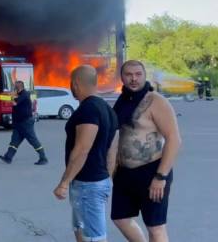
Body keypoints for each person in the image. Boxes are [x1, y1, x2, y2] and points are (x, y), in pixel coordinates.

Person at [112, 60, 182, 242]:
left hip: (152, 171)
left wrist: (161, 177)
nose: (133, 79)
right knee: (120, 218)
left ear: (144, 76)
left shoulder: (156, 101)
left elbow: (174, 139)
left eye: (138, 74)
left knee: (155, 227)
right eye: (129, 75)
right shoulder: (123, 101)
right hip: (124, 172)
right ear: (122, 77)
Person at [53, 65, 119, 242]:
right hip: (98, 180)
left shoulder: (88, 110)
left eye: (70, 84)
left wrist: (64, 183)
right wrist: (108, 176)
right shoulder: (108, 109)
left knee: (94, 237)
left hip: (87, 184)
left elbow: (82, 149)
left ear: (76, 84)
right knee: (80, 229)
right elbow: (113, 148)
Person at [0, 80, 48, 165]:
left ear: (19, 87)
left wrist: (11, 97)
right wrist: (11, 95)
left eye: (15, 86)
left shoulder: (25, 94)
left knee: (33, 140)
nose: (14, 88)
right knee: (14, 141)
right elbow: (13, 99)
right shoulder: (20, 94)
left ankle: (43, 158)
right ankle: (8, 157)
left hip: (26, 122)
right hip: (18, 123)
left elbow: (15, 103)